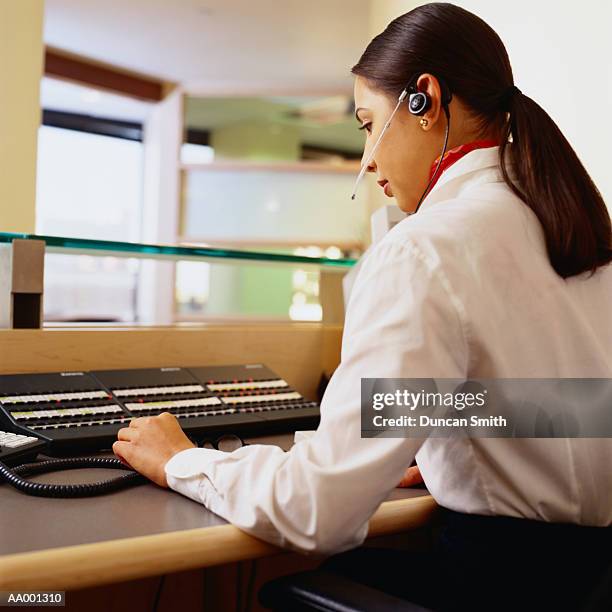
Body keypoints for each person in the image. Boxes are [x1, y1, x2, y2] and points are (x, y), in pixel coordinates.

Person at [112, 3, 612, 610]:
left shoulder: (425, 247)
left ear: (425, 99)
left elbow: (316, 508)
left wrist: (184, 462)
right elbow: (583, 410)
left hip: (495, 583)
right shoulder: (568, 223)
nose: (367, 159)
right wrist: (465, 443)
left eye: (367, 123)